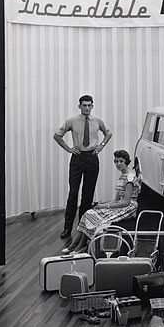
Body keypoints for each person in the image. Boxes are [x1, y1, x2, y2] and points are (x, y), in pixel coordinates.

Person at [54, 95, 112, 239]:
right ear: (79, 106)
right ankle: (67, 228)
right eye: (84, 105)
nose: (87, 108)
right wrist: (69, 149)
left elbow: (108, 133)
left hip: (92, 158)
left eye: (89, 105)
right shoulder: (72, 121)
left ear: (92, 106)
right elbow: (57, 135)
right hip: (78, 158)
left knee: (88, 194)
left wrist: (101, 146)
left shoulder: (97, 121)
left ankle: (83, 227)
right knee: (73, 193)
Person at [63, 149, 141, 254]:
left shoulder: (130, 178)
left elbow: (126, 202)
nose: (118, 164)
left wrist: (106, 207)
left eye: (121, 161)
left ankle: (80, 246)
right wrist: (103, 205)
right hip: (121, 205)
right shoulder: (122, 176)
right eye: (116, 161)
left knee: (94, 217)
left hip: (129, 208)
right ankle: (75, 245)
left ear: (126, 161)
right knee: (88, 213)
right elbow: (116, 200)